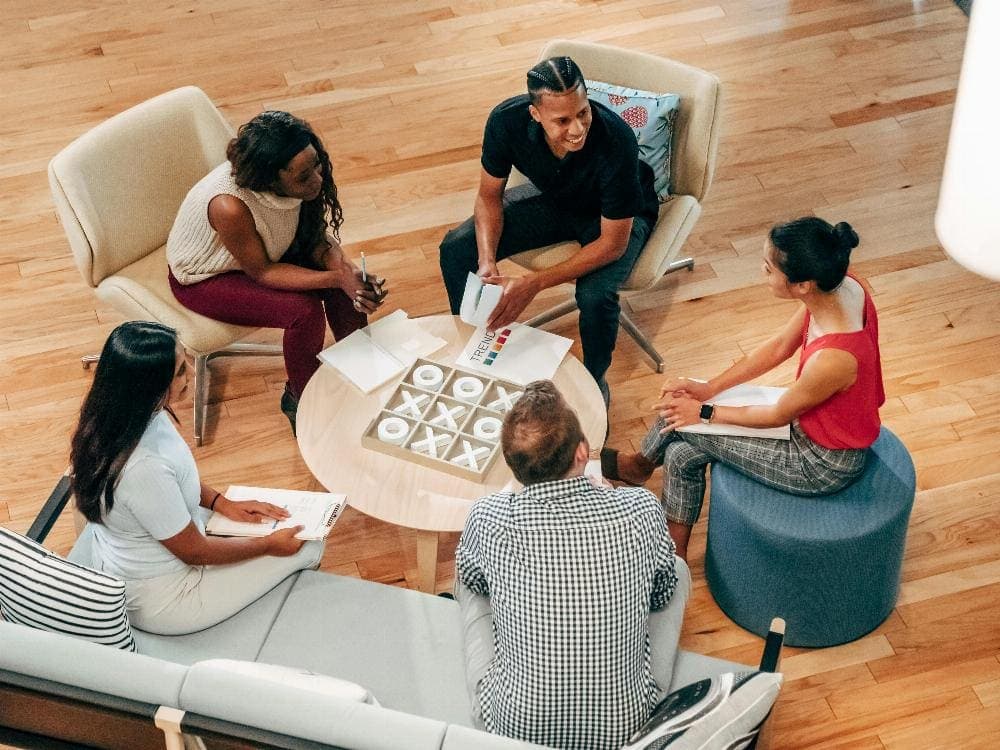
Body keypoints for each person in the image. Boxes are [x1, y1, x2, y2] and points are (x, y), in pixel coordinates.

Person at [603, 217, 885, 559]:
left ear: (801, 285)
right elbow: (781, 345)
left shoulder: (836, 358)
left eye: (768, 269)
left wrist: (704, 412)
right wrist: (709, 388)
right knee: (680, 452)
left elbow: (776, 415)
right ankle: (673, 556)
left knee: (679, 418)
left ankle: (639, 469)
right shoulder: (842, 287)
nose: (761, 272)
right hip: (806, 423)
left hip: (819, 462)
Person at [455, 380, 683, 750]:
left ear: (513, 466)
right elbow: (661, 595)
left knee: (468, 580)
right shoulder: (640, 508)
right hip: (624, 726)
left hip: (512, 727)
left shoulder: (486, 517)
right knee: (677, 570)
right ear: (582, 454)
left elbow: (475, 582)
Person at [69, 321, 324, 635]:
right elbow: (195, 552)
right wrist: (267, 545)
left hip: (158, 544)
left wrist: (221, 502)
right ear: (149, 386)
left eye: (184, 360)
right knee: (311, 547)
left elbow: (176, 477)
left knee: (287, 531)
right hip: (168, 596)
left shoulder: (120, 414)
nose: (191, 371)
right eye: (179, 372)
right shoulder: (142, 469)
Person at [439, 56, 660, 405]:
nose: (577, 129)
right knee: (456, 247)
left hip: (613, 218)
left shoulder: (616, 140)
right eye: (562, 120)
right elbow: (487, 197)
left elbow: (613, 244)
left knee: (595, 296)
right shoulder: (505, 121)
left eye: (583, 113)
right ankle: (473, 344)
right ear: (535, 114)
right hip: (556, 198)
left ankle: (594, 381)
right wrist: (486, 261)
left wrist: (534, 284)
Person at [166, 110, 387, 433]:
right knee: (304, 312)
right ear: (270, 179)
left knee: (342, 283)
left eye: (317, 164)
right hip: (206, 276)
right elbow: (262, 271)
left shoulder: (302, 179)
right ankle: (302, 398)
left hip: (266, 251)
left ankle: (362, 367)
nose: (317, 179)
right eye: (303, 176)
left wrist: (348, 273)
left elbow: (312, 238)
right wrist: (336, 276)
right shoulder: (230, 205)